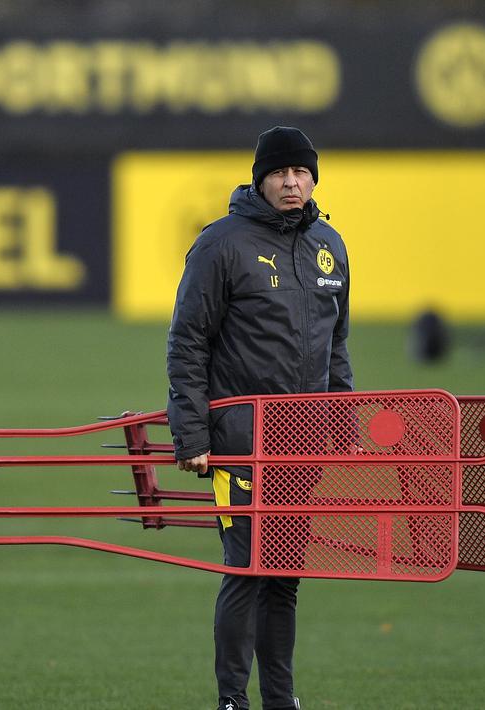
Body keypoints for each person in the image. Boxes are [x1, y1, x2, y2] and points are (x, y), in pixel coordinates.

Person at [166, 126, 353, 710]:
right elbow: (187, 343)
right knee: (247, 570)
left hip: (305, 445)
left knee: (284, 580)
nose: (291, 182)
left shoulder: (331, 246)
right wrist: (192, 434)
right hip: (241, 443)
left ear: (314, 177)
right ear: (260, 179)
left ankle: (281, 700)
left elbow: (336, 347)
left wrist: (341, 426)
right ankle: (231, 701)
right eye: (279, 173)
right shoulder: (220, 244)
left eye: (300, 172)